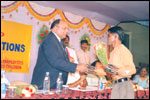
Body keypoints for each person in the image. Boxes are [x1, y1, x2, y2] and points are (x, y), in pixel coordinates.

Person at [31, 19, 88, 89]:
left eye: (67, 29)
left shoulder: (58, 41)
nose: (67, 31)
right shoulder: (50, 40)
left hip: (54, 84)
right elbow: (55, 61)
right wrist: (77, 67)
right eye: (64, 28)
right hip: (46, 84)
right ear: (55, 28)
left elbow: (61, 60)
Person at [107, 26, 136, 99]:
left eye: (109, 36)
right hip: (116, 85)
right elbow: (111, 69)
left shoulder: (123, 50)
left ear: (116, 36)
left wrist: (121, 72)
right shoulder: (113, 52)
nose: (108, 38)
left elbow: (132, 70)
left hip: (124, 85)